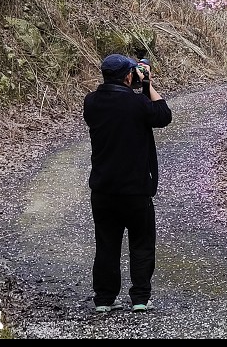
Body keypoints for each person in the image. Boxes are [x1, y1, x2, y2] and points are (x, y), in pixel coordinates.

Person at [83, 53, 172, 313]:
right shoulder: (138, 105)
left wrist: (136, 82)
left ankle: (104, 299)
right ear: (128, 76)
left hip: (103, 188)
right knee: (141, 243)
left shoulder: (91, 103)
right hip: (135, 190)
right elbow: (163, 115)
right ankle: (140, 298)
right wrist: (147, 84)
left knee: (106, 244)